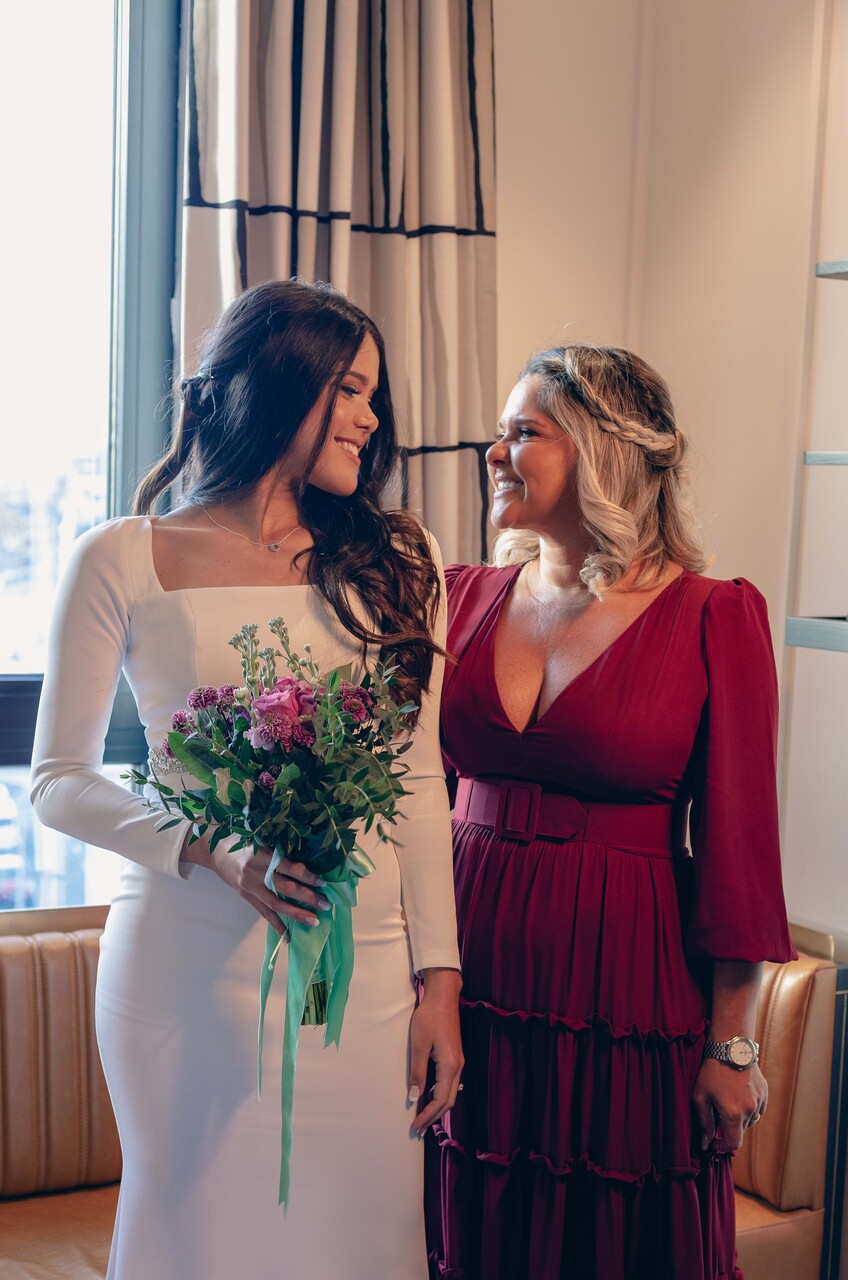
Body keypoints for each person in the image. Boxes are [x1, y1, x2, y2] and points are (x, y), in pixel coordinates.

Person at [31, 279, 464, 1280]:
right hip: (184, 971)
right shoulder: (121, 557)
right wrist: (212, 847)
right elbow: (57, 779)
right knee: (195, 1238)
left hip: (363, 977)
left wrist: (440, 980)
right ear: (277, 384)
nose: (369, 417)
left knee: (363, 1241)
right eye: (348, 389)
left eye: (373, 396)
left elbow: (418, 776)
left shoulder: (400, 557)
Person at [428, 345, 796, 1280]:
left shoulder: (712, 616)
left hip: (621, 990)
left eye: (523, 432)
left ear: (601, 452)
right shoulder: (460, 598)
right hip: (464, 979)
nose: (493, 453)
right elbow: (409, 803)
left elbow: (740, 849)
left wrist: (732, 1045)